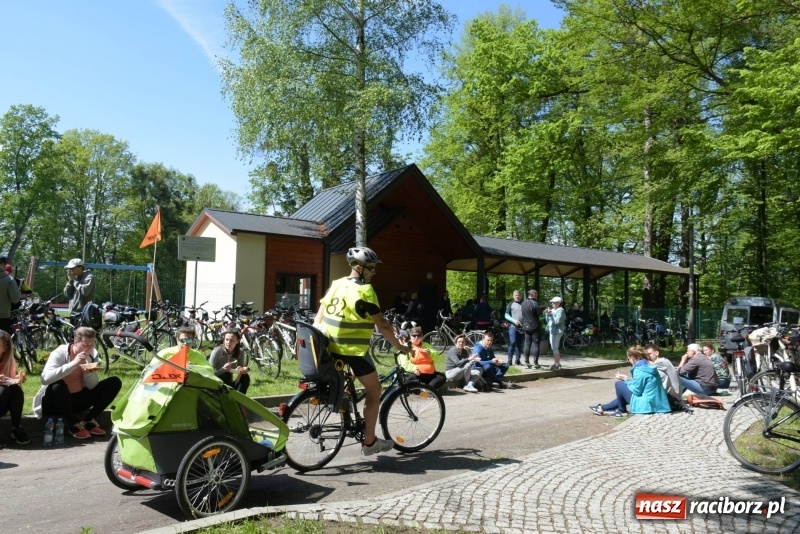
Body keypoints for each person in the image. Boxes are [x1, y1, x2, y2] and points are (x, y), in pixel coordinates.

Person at [314, 246, 409, 456]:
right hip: (352, 350)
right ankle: (370, 441)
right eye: (372, 269)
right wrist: (400, 346)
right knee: (375, 391)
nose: (374, 273)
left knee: (354, 379)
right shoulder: (365, 291)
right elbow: (383, 326)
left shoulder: (336, 284)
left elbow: (319, 315)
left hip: (329, 346)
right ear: (359, 267)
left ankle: (346, 401)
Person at [33, 327, 122, 439]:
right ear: (76, 342)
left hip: (77, 400)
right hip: (55, 402)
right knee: (57, 386)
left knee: (114, 382)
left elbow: (92, 386)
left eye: (92, 344)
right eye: (86, 344)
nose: (89, 347)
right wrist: (74, 364)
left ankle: (89, 421)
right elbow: (45, 379)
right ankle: (74, 424)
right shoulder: (59, 353)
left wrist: (88, 372)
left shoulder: (92, 354)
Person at [589, 346, 670, 417]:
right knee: (624, 391)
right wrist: (627, 379)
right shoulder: (649, 366)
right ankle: (603, 408)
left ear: (632, 357)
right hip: (658, 403)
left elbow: (637, 390)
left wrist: (626, 380)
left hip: (647, 405)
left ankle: (621, 411)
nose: (629, 361)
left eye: (628, 359)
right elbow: (641, 385)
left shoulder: (639, 369)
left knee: (619, 384)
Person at [0, 330, 29, 444]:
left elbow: (9, 381)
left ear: (5, 348)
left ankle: (16, 427)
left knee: (15, 389)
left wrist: (18, 378)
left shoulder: (9, 361)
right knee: (3, 390)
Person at [208, 329, 250, 394]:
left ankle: (239, 400)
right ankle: (228, 398)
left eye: (231, 340)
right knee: (225, 375)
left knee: (245, 376)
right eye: (226, 340)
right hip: (216, 383)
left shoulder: (240, 352)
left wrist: (244, 370)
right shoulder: (217, 351)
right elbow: (209, 374)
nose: (228, 343)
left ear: (237, 341)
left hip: (229, 384)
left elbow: (241, 368)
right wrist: (223, 369)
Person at [63, 258, 96, 323]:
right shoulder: (73, 277)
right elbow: (67, 294)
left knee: (83, 333)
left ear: (80, 267)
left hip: (85, 313)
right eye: (69, 269)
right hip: (73, 312)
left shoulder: (89, 277)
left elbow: (84, 292)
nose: (70, 270)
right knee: (73, 333)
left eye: (72, 268)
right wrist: (70, 281)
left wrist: (75, 280)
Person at [520, 289, 541, 369]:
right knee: (535, 345)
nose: (537, 296)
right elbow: (539, 314)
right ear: (534, 294)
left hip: (525, 326)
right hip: (534, 326)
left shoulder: (523, 303)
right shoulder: (534, 303)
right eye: (536, 295)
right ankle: (535, 363)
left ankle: (526, 362)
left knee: (527, 343)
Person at [0, 256, 21, 335]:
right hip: (3, 316)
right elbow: (15, 299)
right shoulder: (9, 280)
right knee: (3, 344)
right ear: (4, 264)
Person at [545, 296, 566, 370]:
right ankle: (557, 362)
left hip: (557, 331)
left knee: (555, 347)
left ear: (558, 303)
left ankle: (556, 364)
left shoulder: (561, 310)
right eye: (552, 302)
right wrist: (547, 314)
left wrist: (550, 314)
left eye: (554, 302)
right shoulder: (553, 310)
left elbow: (557, 321)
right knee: (553, 347)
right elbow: (548, 321)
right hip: (552, 330)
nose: (552, 303)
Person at [504, 290, 524, 366]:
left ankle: (517, 360)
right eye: (516, 295)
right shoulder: (510, 304)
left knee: (519, 344)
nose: (517, 296)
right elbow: (506, 315)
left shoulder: (523, 304)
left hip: (522, 327)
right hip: (513, 327)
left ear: (520, 296)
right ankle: (509, 360)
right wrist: (514, 321)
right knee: (512, 343)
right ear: (513, 296)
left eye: (518, 295)